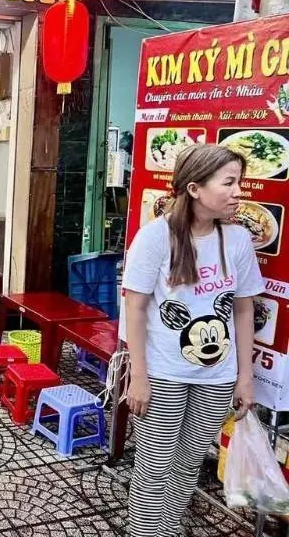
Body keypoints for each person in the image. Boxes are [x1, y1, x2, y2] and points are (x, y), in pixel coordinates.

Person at [122, 143, 263, 537]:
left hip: (217, 378)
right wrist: (139, 376)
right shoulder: (155, 237)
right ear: (195, 188)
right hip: (164, 374)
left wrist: (245, 377)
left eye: (239, 182)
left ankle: (167, 530)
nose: (238, 192)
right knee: (154, 467)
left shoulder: (237, 239)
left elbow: (243, 310)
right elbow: (134, 308)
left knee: (187, 466)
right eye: (229, 183)